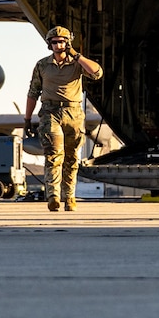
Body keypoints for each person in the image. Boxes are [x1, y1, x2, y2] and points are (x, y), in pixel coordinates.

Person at [26, 26, 103, 212]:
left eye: (62, 42)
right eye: (54, 42)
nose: (58, 45)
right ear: (49, 45)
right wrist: (27, 119)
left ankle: (69, 197)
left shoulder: (77, 64)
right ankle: (53, 195)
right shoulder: (42, 65)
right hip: (50, 111)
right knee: (53, 155)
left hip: (74, 113)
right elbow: (33, 92)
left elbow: (97, 73)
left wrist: (77, 56)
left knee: (72, 158)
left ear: (67, 43)